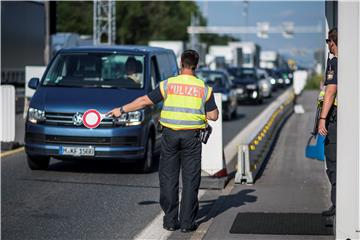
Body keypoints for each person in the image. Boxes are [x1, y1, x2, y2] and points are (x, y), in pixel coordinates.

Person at [106, 50, 219, 232]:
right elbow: (213, 115)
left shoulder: (168, 85)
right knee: (190, 180)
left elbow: (145, 101)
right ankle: (187, 223)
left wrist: (121, 109)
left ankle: (170, 221)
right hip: (192, 138)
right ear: (196, 65)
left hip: (170, 136)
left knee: (168, 177)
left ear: (181, 62)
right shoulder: (204, 89)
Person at [318, 28, 338, 217]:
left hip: (334, 120)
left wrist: (322, 119)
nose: (328, 45)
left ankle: (337, 205)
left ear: (333, 42)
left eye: (328, 41)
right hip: (342, 120)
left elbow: (330, 92)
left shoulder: (334, 63)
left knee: (332, 163)